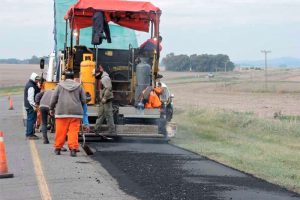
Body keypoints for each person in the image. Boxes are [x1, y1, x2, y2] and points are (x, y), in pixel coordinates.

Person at [49, 70, 86, 157]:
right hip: (76, 113)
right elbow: (84, 100)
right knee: (73, 132)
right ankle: (73, 149)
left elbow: (54, 98)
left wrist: (51, 108)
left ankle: (58, 148)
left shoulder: (59, 86)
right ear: (73, 77)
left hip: (62, 112)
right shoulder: (79, 86)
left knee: (60, 131)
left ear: (65, 77)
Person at [94, 66, 115, 134]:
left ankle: (112, 130)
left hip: (106, 100)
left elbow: (108, 88)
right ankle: (96, 129)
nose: (95, 76)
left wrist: (105, 97)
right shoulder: (102, 78)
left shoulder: (105, 78)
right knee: (101, 114)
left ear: (99, 73)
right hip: (103, 100)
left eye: (95, 74)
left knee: (108, 114)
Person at [24, 72, 41, 140]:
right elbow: (30, 99)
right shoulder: (31, 86)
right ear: (33, 79)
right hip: (31, 106)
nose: (38, 81)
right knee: (31, 120)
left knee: (30, 119)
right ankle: (30, 134)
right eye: (36, 79)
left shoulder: (31, 84)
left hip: (29, 105)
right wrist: (35, 106)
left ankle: (30, 133)